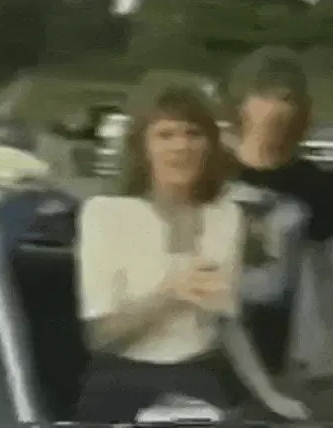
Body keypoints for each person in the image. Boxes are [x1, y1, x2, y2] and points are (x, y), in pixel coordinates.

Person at [75, 84, 309, 423]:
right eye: (165, 135)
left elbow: (227, 322)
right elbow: (99, 337)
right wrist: (171, 294)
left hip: (198, 375)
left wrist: (269, 394)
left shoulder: (226, 217)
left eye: (193, 134)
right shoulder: (105, 214)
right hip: (122, 380)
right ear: (142, 147)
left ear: (209, 145)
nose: (181, 146)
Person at [222, 46, 333, 380]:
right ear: (241, 105)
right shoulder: (209, 168)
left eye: (287, 100)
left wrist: (328, 348)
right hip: (202, 335)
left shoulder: (313, 183)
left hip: (271, 341)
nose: (275, 111)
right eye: (265, 97)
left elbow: (324, 271)